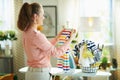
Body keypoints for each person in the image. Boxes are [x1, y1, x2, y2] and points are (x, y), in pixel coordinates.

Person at [17, 2, 76, 80]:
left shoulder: (26, 32)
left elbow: (43, 47)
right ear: (35, 17)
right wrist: (70, 39)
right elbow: (56, 53)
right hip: (40, 75)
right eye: (42, 15)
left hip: (31, 73)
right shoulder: (37, 35)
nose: (44, 17)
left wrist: (57, 38)